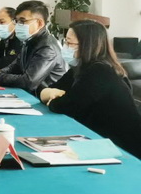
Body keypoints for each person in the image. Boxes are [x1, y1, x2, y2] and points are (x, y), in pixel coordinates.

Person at [40, 20, 141, 158]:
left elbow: (63, 107)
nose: (65, 47)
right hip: (98, 139)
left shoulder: (99, 71)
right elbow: (47, 91)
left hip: (123, 149)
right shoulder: (81, 68)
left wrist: (53, 98)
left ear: (87, 45)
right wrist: (51, 93)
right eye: (65, 42)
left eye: (70, 43)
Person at [0, 0, 66, 95]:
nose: (18, 25)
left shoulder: (48, 47)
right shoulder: (29, 41)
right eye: (16, 21)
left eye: (22, 21)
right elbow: (15, 67)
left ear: (39, 23)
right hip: (32, 94)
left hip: (47, 99)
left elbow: (29, 81)